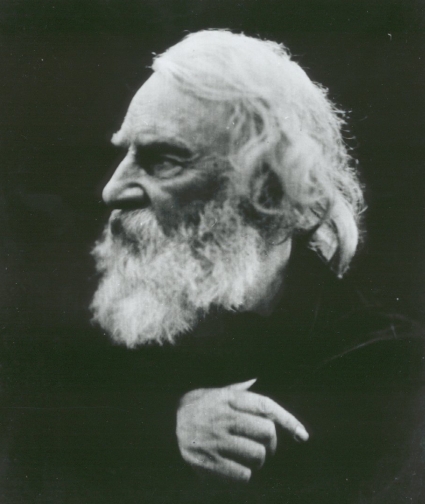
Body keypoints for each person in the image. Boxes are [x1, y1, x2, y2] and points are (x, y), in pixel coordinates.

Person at [1, 29, 423, 504]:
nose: (112, 190)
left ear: (270, 191)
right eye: (126, 152)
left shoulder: (383, 369)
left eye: (163, 160)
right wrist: (161, 427)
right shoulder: (78, 321)